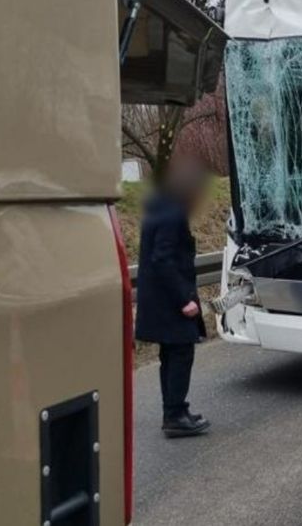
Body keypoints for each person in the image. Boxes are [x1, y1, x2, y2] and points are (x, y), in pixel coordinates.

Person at [134, 161, 210, 438]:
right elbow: (163, 258)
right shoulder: (172, 212)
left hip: (158, 299)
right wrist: (184, 300)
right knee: (180, 353)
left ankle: (174, 410)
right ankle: (175, 415)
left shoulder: (158, 208)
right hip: (170, 300)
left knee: (170, 354)